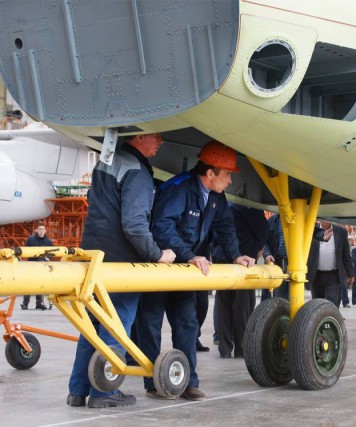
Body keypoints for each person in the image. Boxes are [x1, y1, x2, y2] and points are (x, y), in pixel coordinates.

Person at [137, 139, 254, 401]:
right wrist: (190, 255)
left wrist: (235, 255)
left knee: (187, 324)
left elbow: (225, 227)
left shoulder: (216, 196)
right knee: (150, 324)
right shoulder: (178, 188)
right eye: (227, 175)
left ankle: (188, 381)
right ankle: (152, 383)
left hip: (186, 270)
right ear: (210, 173)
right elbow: (162, 228)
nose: (230, 181)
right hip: (160, 267)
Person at [67, 133, 176, 409]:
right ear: (139, 137)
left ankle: (77, 391)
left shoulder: (106, 163)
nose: (161, 142)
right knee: (115, 328)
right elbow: (135, 225)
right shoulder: (137, 172)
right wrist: (157, 255)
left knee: (90, 328)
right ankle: (104, 393)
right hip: (120, 263)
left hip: (93, 257)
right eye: (156, 137)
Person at [212, 205, 268, 358]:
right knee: (243, 305)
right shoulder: (250, 207)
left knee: (222, 304)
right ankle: (241, 349)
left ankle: (224, 348)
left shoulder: (224, 205)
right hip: (244, 261)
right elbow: (263, 230)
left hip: (221, 257)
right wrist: (258, 248)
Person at [307, 221, 355, 308]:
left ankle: (331, 320)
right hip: (316, 275)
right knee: (317, 304)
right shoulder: (311, 229)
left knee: (331, 302)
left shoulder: (341, 231)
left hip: (334, 275)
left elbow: (346, 254)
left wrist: (351, 274)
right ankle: (320, 321)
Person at [21, 224, 53, 310]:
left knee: (40, 284)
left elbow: (53, 252)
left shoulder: (48, 242)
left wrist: (48, 258)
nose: (41, 231)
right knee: (28, 284)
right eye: (40, 229)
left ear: (45, 231)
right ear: (37, 230)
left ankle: (39, 304)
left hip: (42, 265)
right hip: (31, 265)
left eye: (43, 229)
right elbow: (25, 250)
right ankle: (25, 304)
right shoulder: (31, 239)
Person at [262, 213, 289, 301]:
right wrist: (267, 254)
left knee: (291, 299)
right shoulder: (272, 221)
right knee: (274, 299)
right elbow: (264, 241)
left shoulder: (299, 220)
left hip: (292, 264)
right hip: (275, 263)